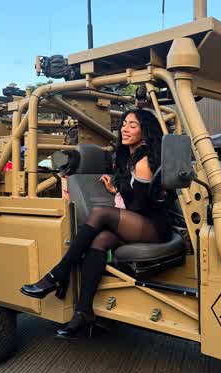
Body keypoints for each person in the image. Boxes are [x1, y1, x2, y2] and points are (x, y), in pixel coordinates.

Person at [21, 108, 172, 337]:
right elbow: (132, 198)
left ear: (145, 132)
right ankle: (83, 311)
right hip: (140, 222)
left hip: (154, 226)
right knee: (99, 240)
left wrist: (116, 207)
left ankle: (56, 275)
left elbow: (140, 207)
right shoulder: (128, 158)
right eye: (124, 123)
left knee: (101, 214)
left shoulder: (144, 163)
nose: (125, 129)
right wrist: (115, 189)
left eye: (133, 125)